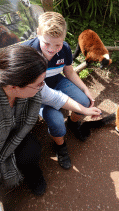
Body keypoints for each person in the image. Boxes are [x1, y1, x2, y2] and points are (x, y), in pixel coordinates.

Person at [21, 12, 102, 170]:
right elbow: (44, 94)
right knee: (57, 122)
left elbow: (69, 72)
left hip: (56, 81)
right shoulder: (27, 53)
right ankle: (60, 146)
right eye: (47, 44)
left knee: (84, 101)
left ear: (64, 38)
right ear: (38, 32)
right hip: (38, 92)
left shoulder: (64, 48)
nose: (52, 50)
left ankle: (72, 123)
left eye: (57, 45)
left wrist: (85, 89)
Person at [0, 44, 48, 196]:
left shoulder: (24, 88)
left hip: (14, 134)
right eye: (39, 84)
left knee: (31, 149)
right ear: (14, 87)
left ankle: (33, 174)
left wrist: (84, 109)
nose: (42, 87)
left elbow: (52, 96)